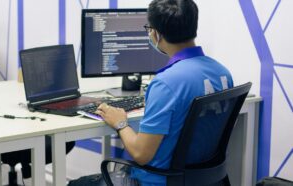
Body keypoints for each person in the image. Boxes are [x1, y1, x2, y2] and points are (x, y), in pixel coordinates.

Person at [68, 0, 233, 185]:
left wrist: (121, 123)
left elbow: (141, 155)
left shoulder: (165, 84)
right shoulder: (222, 73)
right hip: (205, 180)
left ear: (156, 34)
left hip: (158, 181)